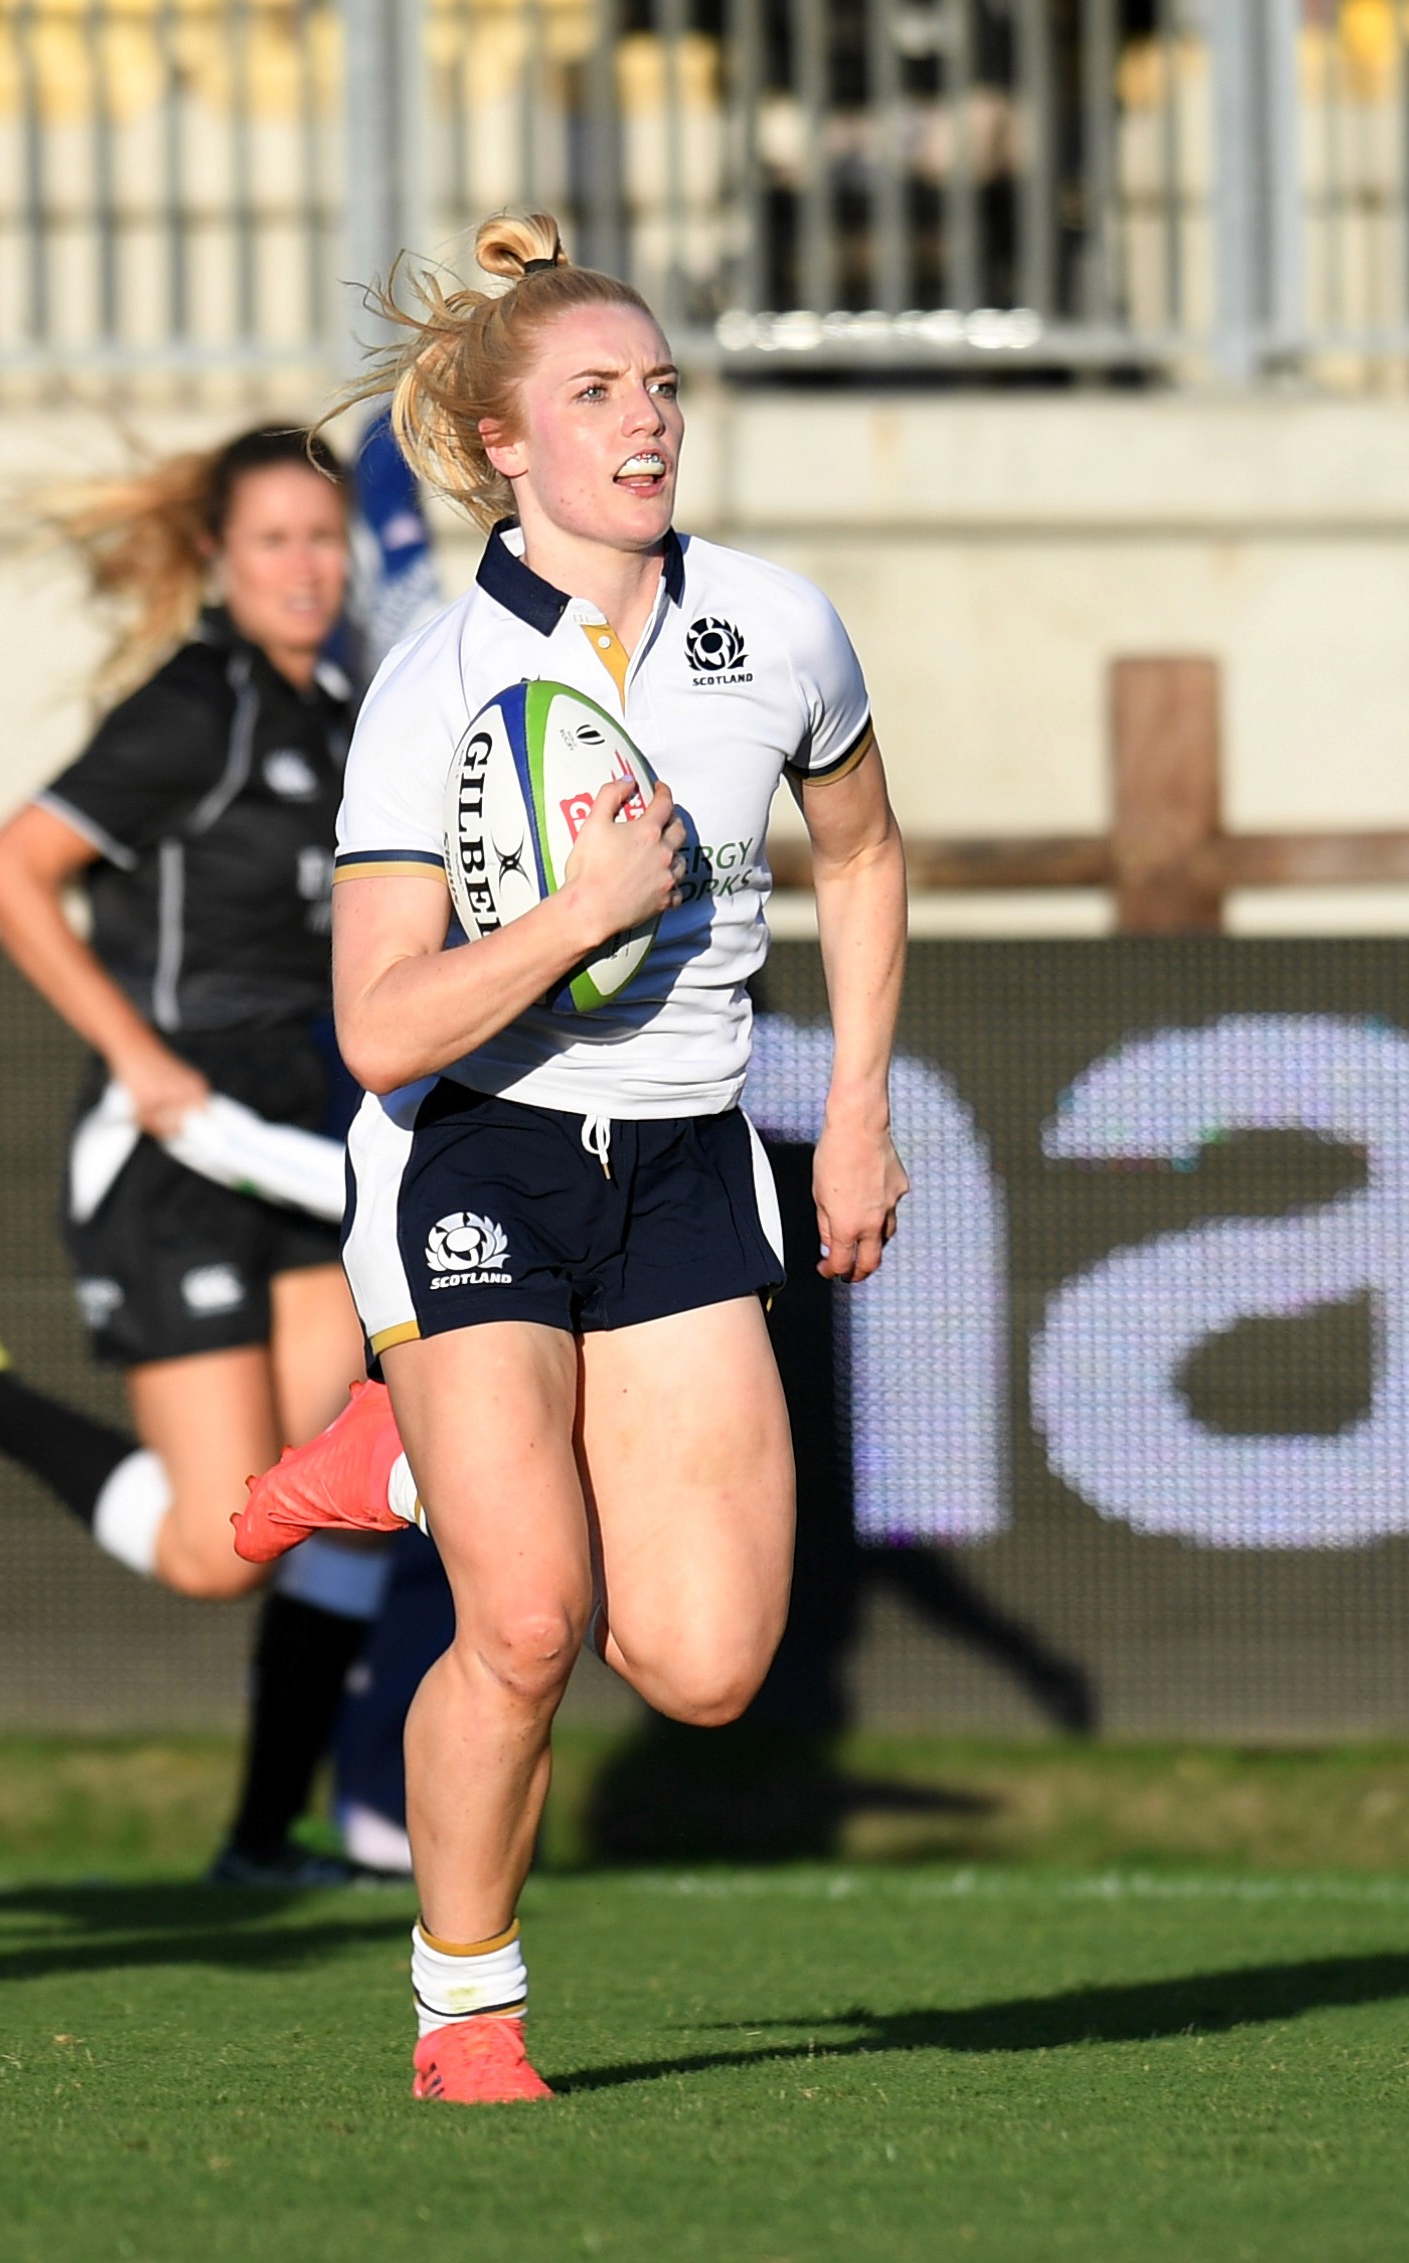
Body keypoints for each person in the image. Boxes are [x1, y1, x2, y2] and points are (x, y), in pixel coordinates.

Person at [232, 215, 911, 2102]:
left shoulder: (775, 624)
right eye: (597, 392)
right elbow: (380, 1031)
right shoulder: (428, 683)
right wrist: (579, 914)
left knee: (702, 1668)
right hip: (476, 1158)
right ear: (500, 443)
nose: (646, 422)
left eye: (661, 388)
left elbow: (861, 852)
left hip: (688, 1160)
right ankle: (468, 2013)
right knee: (526, 1621)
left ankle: (408, 1455)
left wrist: (856, 1111)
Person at [0, 427, 403, 1886]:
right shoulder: (195, 708)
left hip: (300, 1134)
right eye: (271, 540)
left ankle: (262, 1840)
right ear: (216, 559)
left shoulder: (349, 710)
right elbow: (6, 871)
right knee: (220, 1550)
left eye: (322, 538)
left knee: (348, 1496)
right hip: (176, 1153)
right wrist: (139, 1059)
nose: (305, 568)